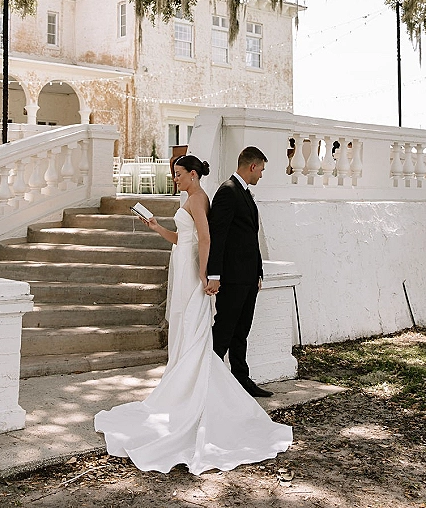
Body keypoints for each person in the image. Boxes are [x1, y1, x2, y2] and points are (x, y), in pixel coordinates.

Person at [94, 154, 292, 475]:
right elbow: (180, 238)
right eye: (174, 174)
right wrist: (157, 227)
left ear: (194, 175)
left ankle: (195, 396)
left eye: (179, 174)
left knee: (194, 328)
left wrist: (205, 274)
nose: (175, 179)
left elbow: (205, 238)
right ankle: (182, 388)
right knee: (185, 329)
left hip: (191, 272)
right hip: (181, 264)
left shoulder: (200, 199)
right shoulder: (189, 198)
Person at [206, 146, 271, 398]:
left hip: (247, 278)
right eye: (261, 170)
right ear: (252, 166)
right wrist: (215, 274)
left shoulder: (245, 193)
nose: (261, 175)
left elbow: (249, 238)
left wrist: (258, 273)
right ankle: (207, 380)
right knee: (223, 331)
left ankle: (241, 380)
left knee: (241, 332)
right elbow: (217, 236)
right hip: (231, 279)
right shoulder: (227, 192)